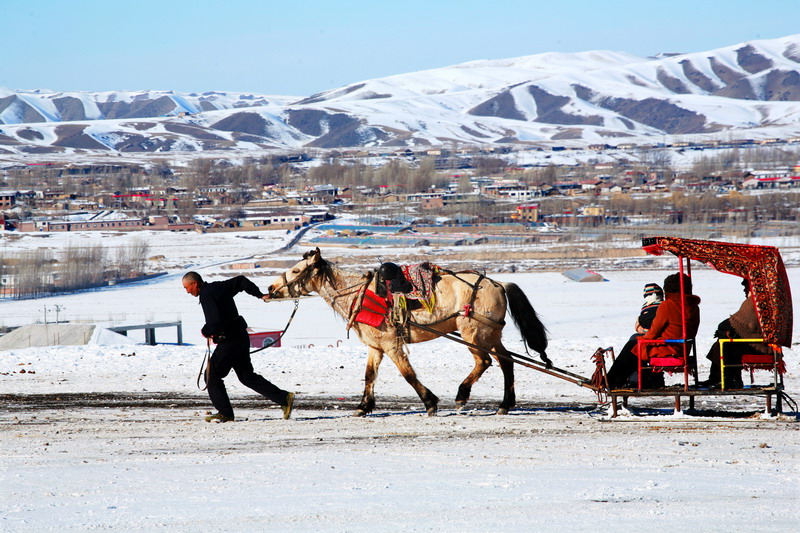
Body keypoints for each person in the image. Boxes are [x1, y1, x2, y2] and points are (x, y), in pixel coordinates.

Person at [182, 271, 294, 422]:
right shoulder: (218, 287)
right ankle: (284, 398)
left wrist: (206, 331)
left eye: (187, 287)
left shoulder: (207, 295)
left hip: (229, 341)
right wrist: (259, 295)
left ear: (194, 284)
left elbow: (215, 323)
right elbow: (241, 281)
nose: (187, 291)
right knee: (247, 376)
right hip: (241, 337)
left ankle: (225, 413)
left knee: (211, 375)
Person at [607, 274, 701, 389]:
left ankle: (611, 382)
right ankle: (619, 381)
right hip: (683, 348)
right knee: (636, 344)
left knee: (632, 345)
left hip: (668, 348)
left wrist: (641, 337)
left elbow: (653, 333)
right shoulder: (694, 307)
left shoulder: (667, 305)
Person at [700, 279, 764, 389]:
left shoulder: (754, 302)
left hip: (758, 345)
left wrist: (725, 329)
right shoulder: (754, 302)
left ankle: (729, 379)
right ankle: (717, 378)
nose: (744, 290)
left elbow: (738, 322)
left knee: (726, 346)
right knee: (720, 343)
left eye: (746, 287)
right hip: (754, 341)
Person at [606, 282, 664, 389]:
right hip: (659, 341)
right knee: (634, 340)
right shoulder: (663, 306)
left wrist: (639, 323)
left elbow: (652, 328)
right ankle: (629, 378)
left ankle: (623, 379)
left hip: (658, 344)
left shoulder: (659, 308)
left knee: (633, 343)